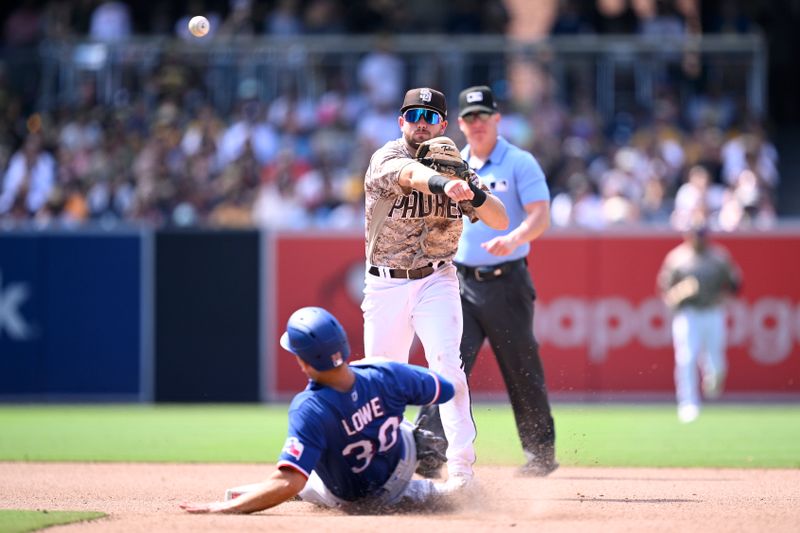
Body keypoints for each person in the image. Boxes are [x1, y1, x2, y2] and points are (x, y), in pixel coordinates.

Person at [362, 87, 509, 492]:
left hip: (436, 279)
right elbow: (413, 176)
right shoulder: (387, 157)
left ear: (443, 125)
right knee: (380, 377)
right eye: (414, 116)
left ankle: (462, 472)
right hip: (386, 283)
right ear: (401, 122)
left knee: (448, 367)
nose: (421, 124)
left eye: (430, 117)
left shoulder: (455, 164)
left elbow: (499, 218)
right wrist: (446, 185)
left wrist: (471, 190)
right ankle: (378, 466)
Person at [180, 306, 455, 514]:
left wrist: (222, 510)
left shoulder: (309, 408)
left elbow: (289, 482)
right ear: (343, 346)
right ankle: (419, 452)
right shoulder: (384, 373)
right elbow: (445, 389)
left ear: (304, 363)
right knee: (404, 429)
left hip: (352, 497)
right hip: (403, 464)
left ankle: (263, 494)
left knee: (304, 476)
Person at [414, 85, 558, 477]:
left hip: (506, 280)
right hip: (457, 281)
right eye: (469, 117)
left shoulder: (518, 162)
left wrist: (513, 238)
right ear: (459, 124)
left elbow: (540, 215)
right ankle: (428, 451)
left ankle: (540, 453)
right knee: (447, 362)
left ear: (497, 119)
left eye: (483, 116)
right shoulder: (452, 164)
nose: (477, 124)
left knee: (520, 365)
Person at [657, 219, 742, 423]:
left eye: (701, 235)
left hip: (713, 311)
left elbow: (735, 284)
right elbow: (665, 292)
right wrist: (680, 292)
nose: (698, 239)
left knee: (716, 361)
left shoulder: (718, 257)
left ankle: (712, 382)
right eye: (695, 235)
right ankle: (688, 403)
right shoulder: (677, 258)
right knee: (686, 357)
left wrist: (723, 297)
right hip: (689, 313)